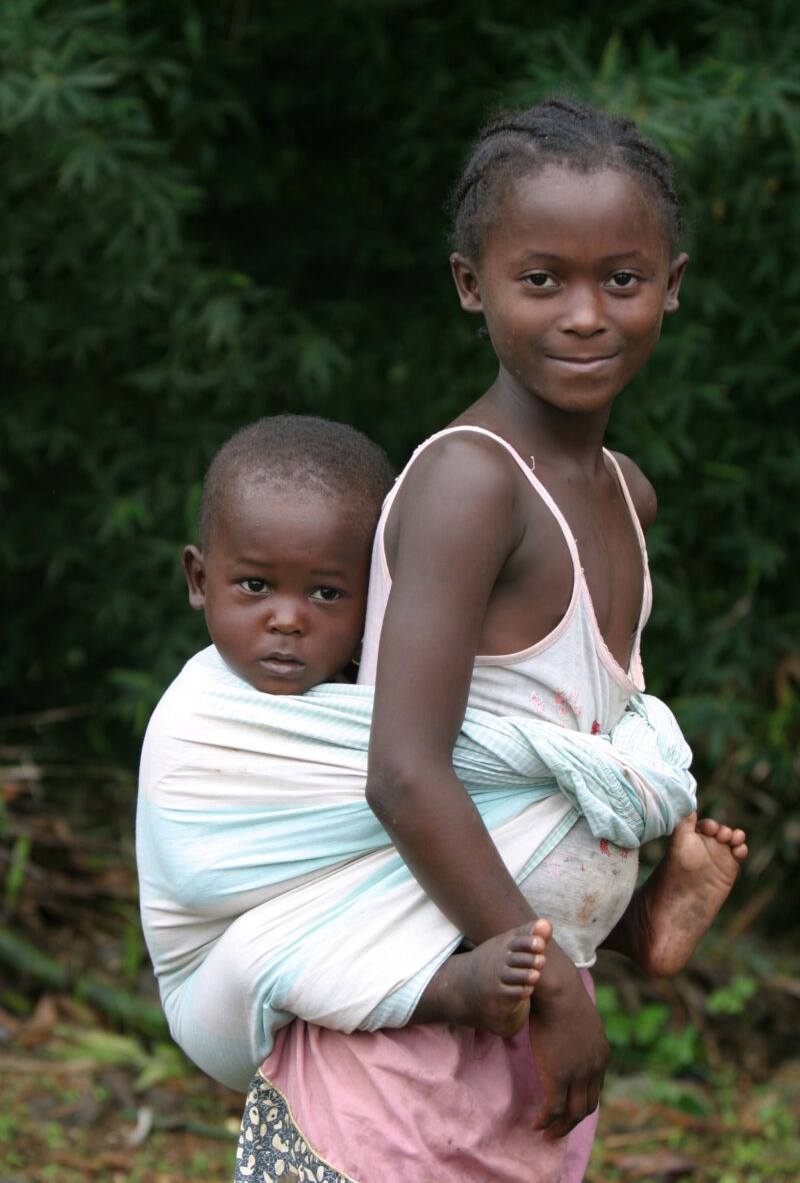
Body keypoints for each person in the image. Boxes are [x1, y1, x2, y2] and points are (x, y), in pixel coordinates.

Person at [235, 98, 748, 1183]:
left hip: (512, 1066)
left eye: (621, 279)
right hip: (395, 1073)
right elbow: (407, 771)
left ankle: (643, 924)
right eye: (540, 278)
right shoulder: (474, 484)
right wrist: (553, 987)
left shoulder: (622, 494)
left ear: (673, 284)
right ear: (471, 285)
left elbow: (558, 746)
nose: (583, 315)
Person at [138, 414, 701, 1097]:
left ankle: (627, 926)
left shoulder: (386, 694)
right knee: (278, 948)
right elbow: (202, 871)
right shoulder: (202, 712)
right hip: (215, 987)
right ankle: (450, 989)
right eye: (256, 586)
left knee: (445, 830)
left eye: (326, 593)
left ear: (377, 601)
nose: (287, 618)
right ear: (199, 579)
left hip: (401, 928)